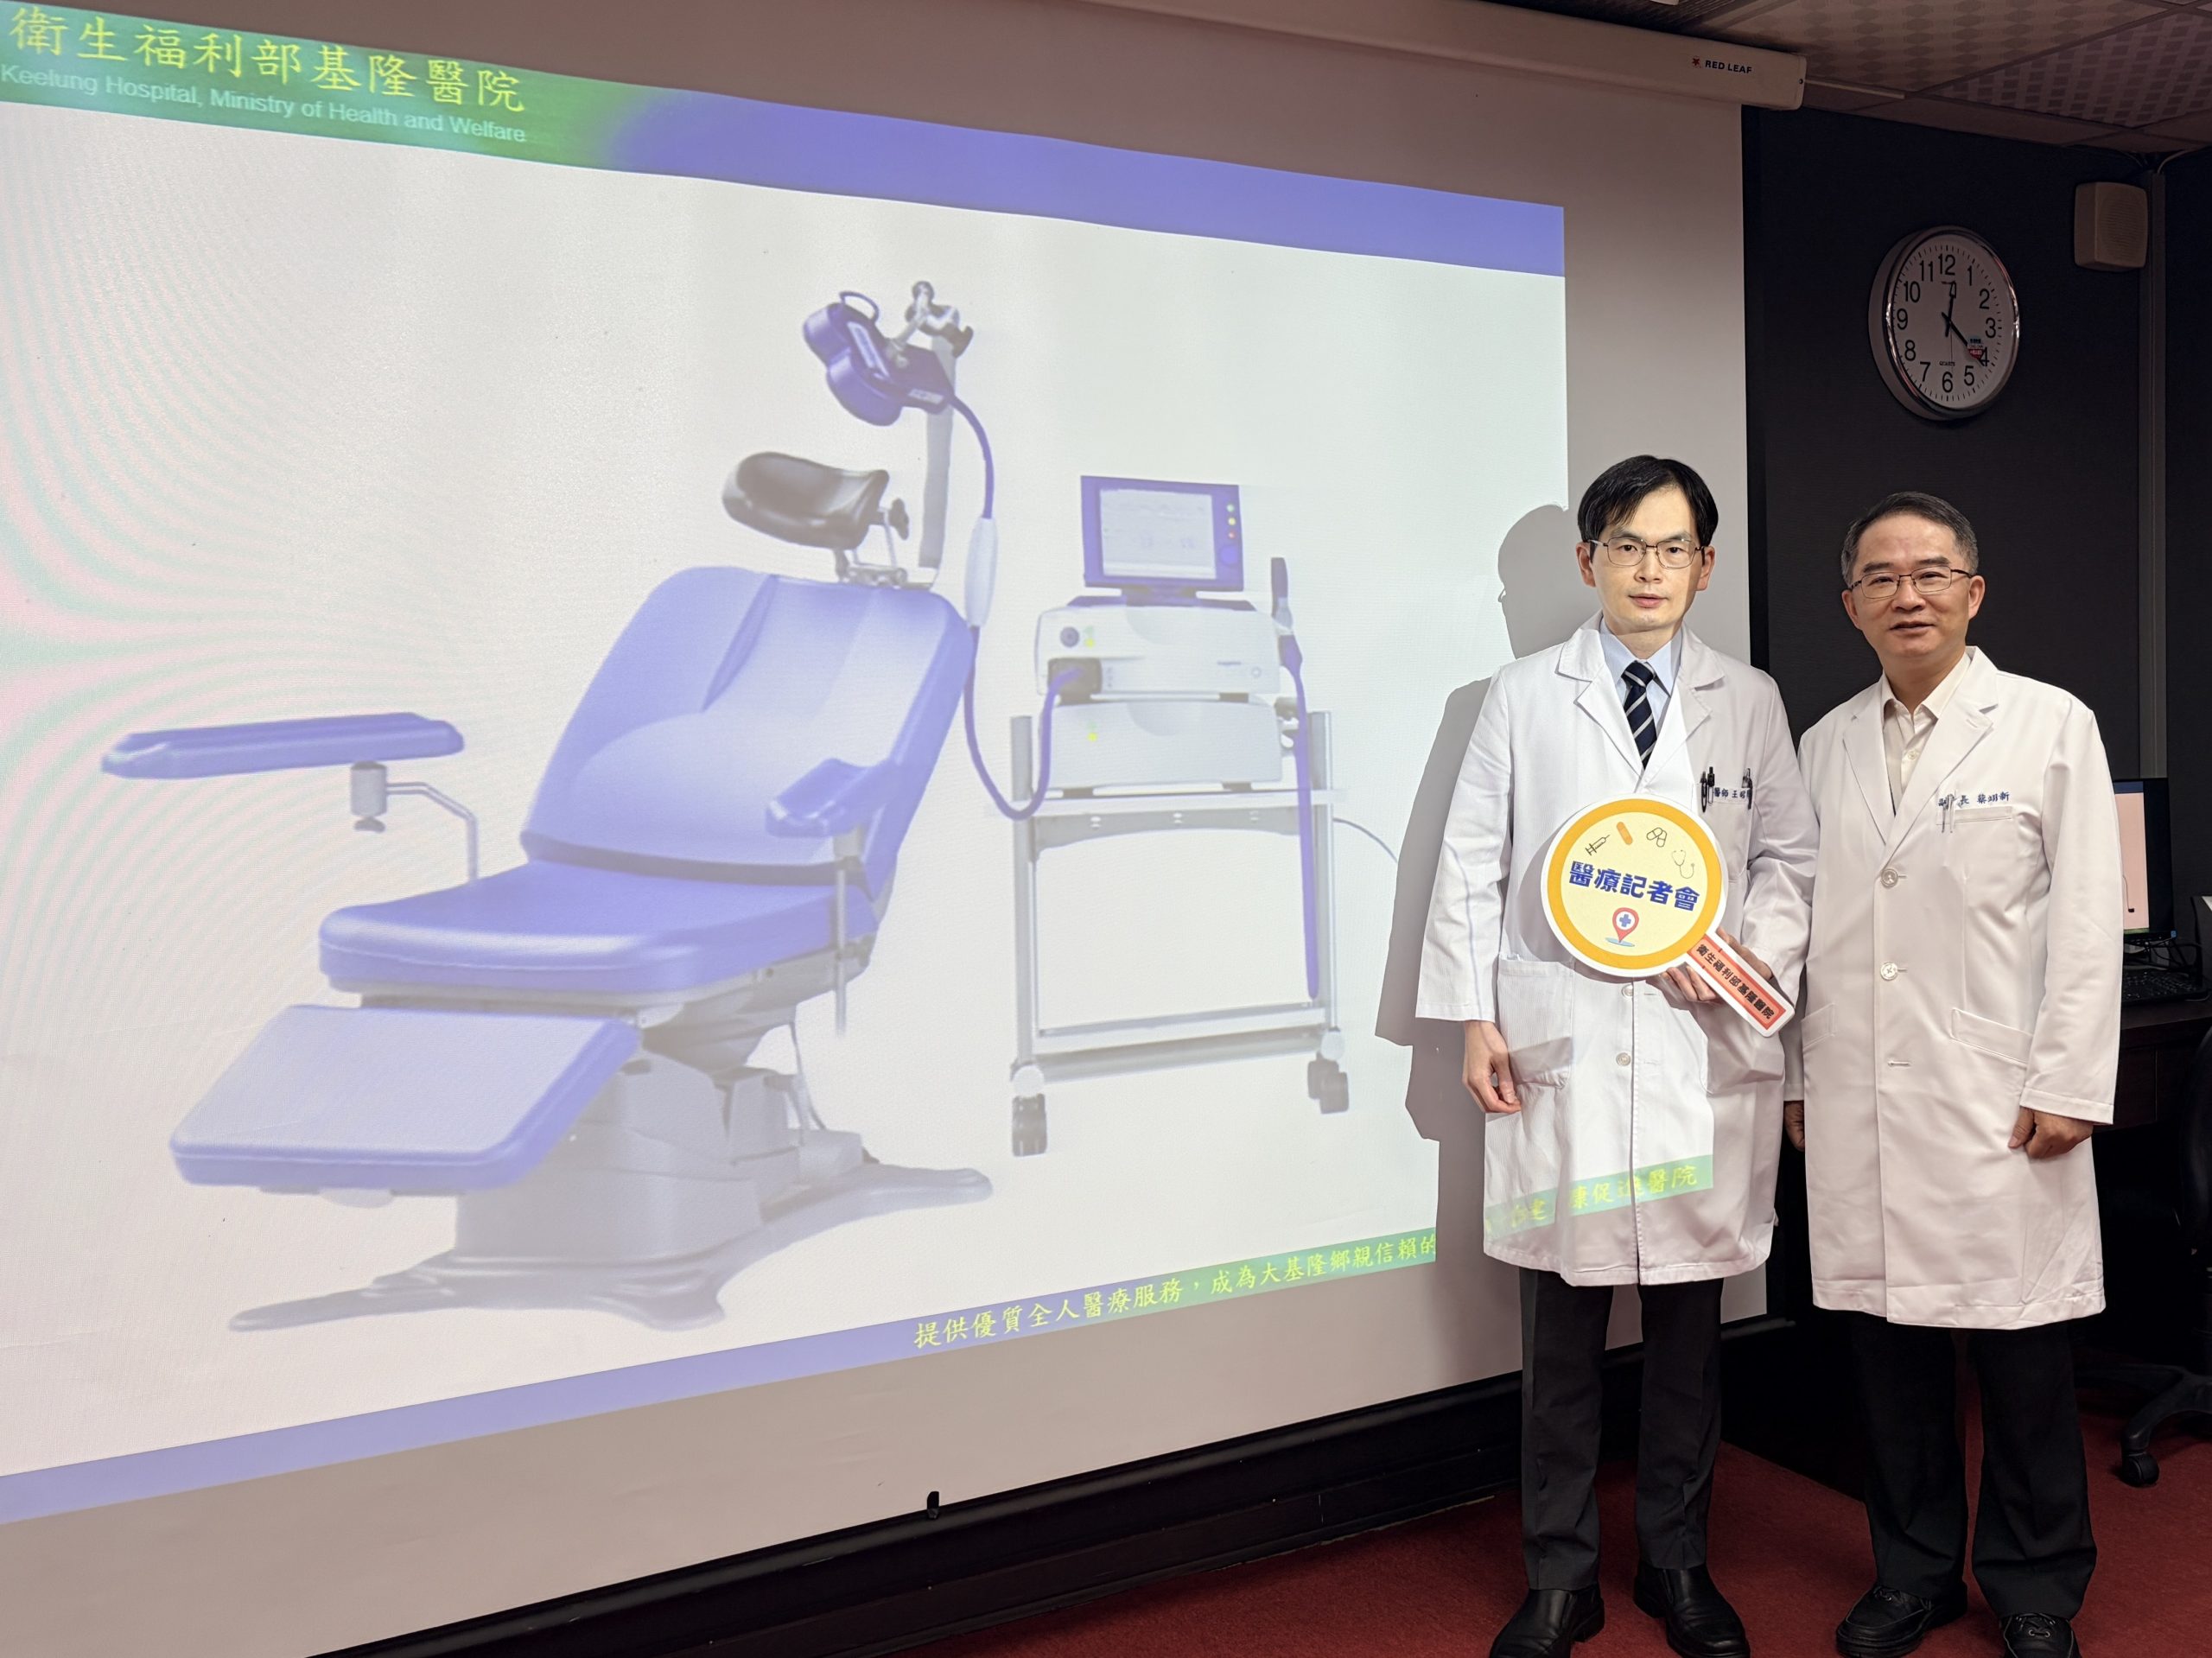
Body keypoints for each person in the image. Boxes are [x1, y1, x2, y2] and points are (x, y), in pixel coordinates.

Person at [1419, 457, 1817, 1658]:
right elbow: (1471, 859)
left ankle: (1679, 1565)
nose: (1652, 569)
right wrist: (1474, 1016)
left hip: (1700, 1046)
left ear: (1706, 565)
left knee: (1691, 1340)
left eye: (1675, 547)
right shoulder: (1521, 695)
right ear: (1590, 560)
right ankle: (1560, 1576)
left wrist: (1740, 961)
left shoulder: (1749, 698)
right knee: (1562, 1342)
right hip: (1569, 1052)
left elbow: (1788, 862)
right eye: (1629, 546)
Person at [1784, 492, 2120, 1658]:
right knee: (1891, 1354)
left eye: (1931, 573)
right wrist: (1795, 1076)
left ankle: (2035, 1586)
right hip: (1861, 1094)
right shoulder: (1822, 746)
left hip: (1999, 1097)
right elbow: (1801, 930)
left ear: (1973, 592)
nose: (1907, 594)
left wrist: (2070, 1078)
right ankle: (1915, 1574)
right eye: (1881, 578)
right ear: (1851, 606)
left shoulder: (2048, 725)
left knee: (2022, 1354)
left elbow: (2088, 917)